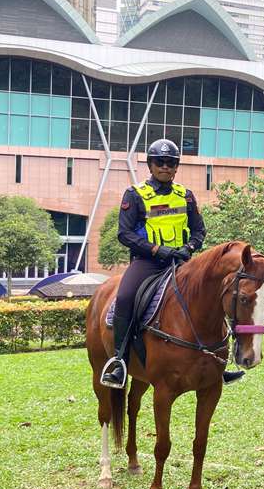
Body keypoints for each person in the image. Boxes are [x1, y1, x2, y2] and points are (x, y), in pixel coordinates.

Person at [100, 139, 245, 388]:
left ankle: (220, 363)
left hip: (181, 262)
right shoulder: (135, 195)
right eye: (160, 162)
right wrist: (158, 250)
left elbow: (199, 231)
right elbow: (125, 234)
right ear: (151, 164)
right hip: (147, 263)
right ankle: (120, 362)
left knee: (212, 297)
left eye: (171, 163)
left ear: (177, 166)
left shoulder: (185, 196)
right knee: (124, 298)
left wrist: (188, 248)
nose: (165, 167)